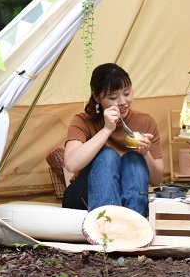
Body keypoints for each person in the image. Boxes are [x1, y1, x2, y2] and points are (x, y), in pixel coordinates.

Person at [62, 63, 164, 217]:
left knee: (134, 158)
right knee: (107, 155)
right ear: (97, 97)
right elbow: (71, 164)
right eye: (113, 97)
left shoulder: (146, 121)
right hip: (83, 196)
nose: (122, 102)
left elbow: (156, 180)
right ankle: (105, 226)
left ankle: (134, 222)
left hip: (126, 194)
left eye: (127, 93)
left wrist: (145, 153)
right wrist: (107, 129)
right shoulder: (83, 121)